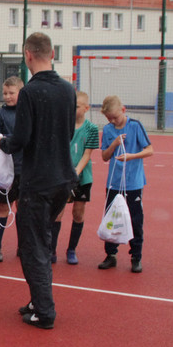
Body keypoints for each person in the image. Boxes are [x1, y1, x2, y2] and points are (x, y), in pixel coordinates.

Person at [0, 33, 77, 330]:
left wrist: (2, 143)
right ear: (52, 54)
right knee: (42, 241)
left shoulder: (30, 92)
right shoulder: (68, 90)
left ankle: (44, 311)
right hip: (63, 179)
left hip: (38, 181)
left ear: (28, 55)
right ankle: (37, 301)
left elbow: (21, 139)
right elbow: (69, 133)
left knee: (33, 248)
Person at [98, 95, 154, 273]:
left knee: (135, 220)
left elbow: (149, 150)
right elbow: (105, 156)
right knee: (111, 219)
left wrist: (132, 156)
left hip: (133, 183)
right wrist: (114, 144)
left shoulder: (135, 126)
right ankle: (111, 254)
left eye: (115, 117)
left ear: (123, 110)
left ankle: (136, 256)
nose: (112, 121)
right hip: (113, 183)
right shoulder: (108, 130)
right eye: (109, 118)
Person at [50, 91, 99, 265]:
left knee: (78, 213)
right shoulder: (61, 126)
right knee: (57, 213)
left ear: (86, 108)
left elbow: (87, 154)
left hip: (82, 177)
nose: (72, 109)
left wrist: (76, 171)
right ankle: (51, 250)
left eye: (76, 106)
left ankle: (71, 249)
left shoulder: (92, 129)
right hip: (62, 177)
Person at [0, 76, 24, 262]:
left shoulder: (28, 113)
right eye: (5, 93)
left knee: (23, 208)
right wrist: (14, 140)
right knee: (2, 206)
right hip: (6, 171)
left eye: (12, 93)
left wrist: (9, 140)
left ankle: (23, 246)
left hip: (26, 169)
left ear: (21, 93)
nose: (7, 96)